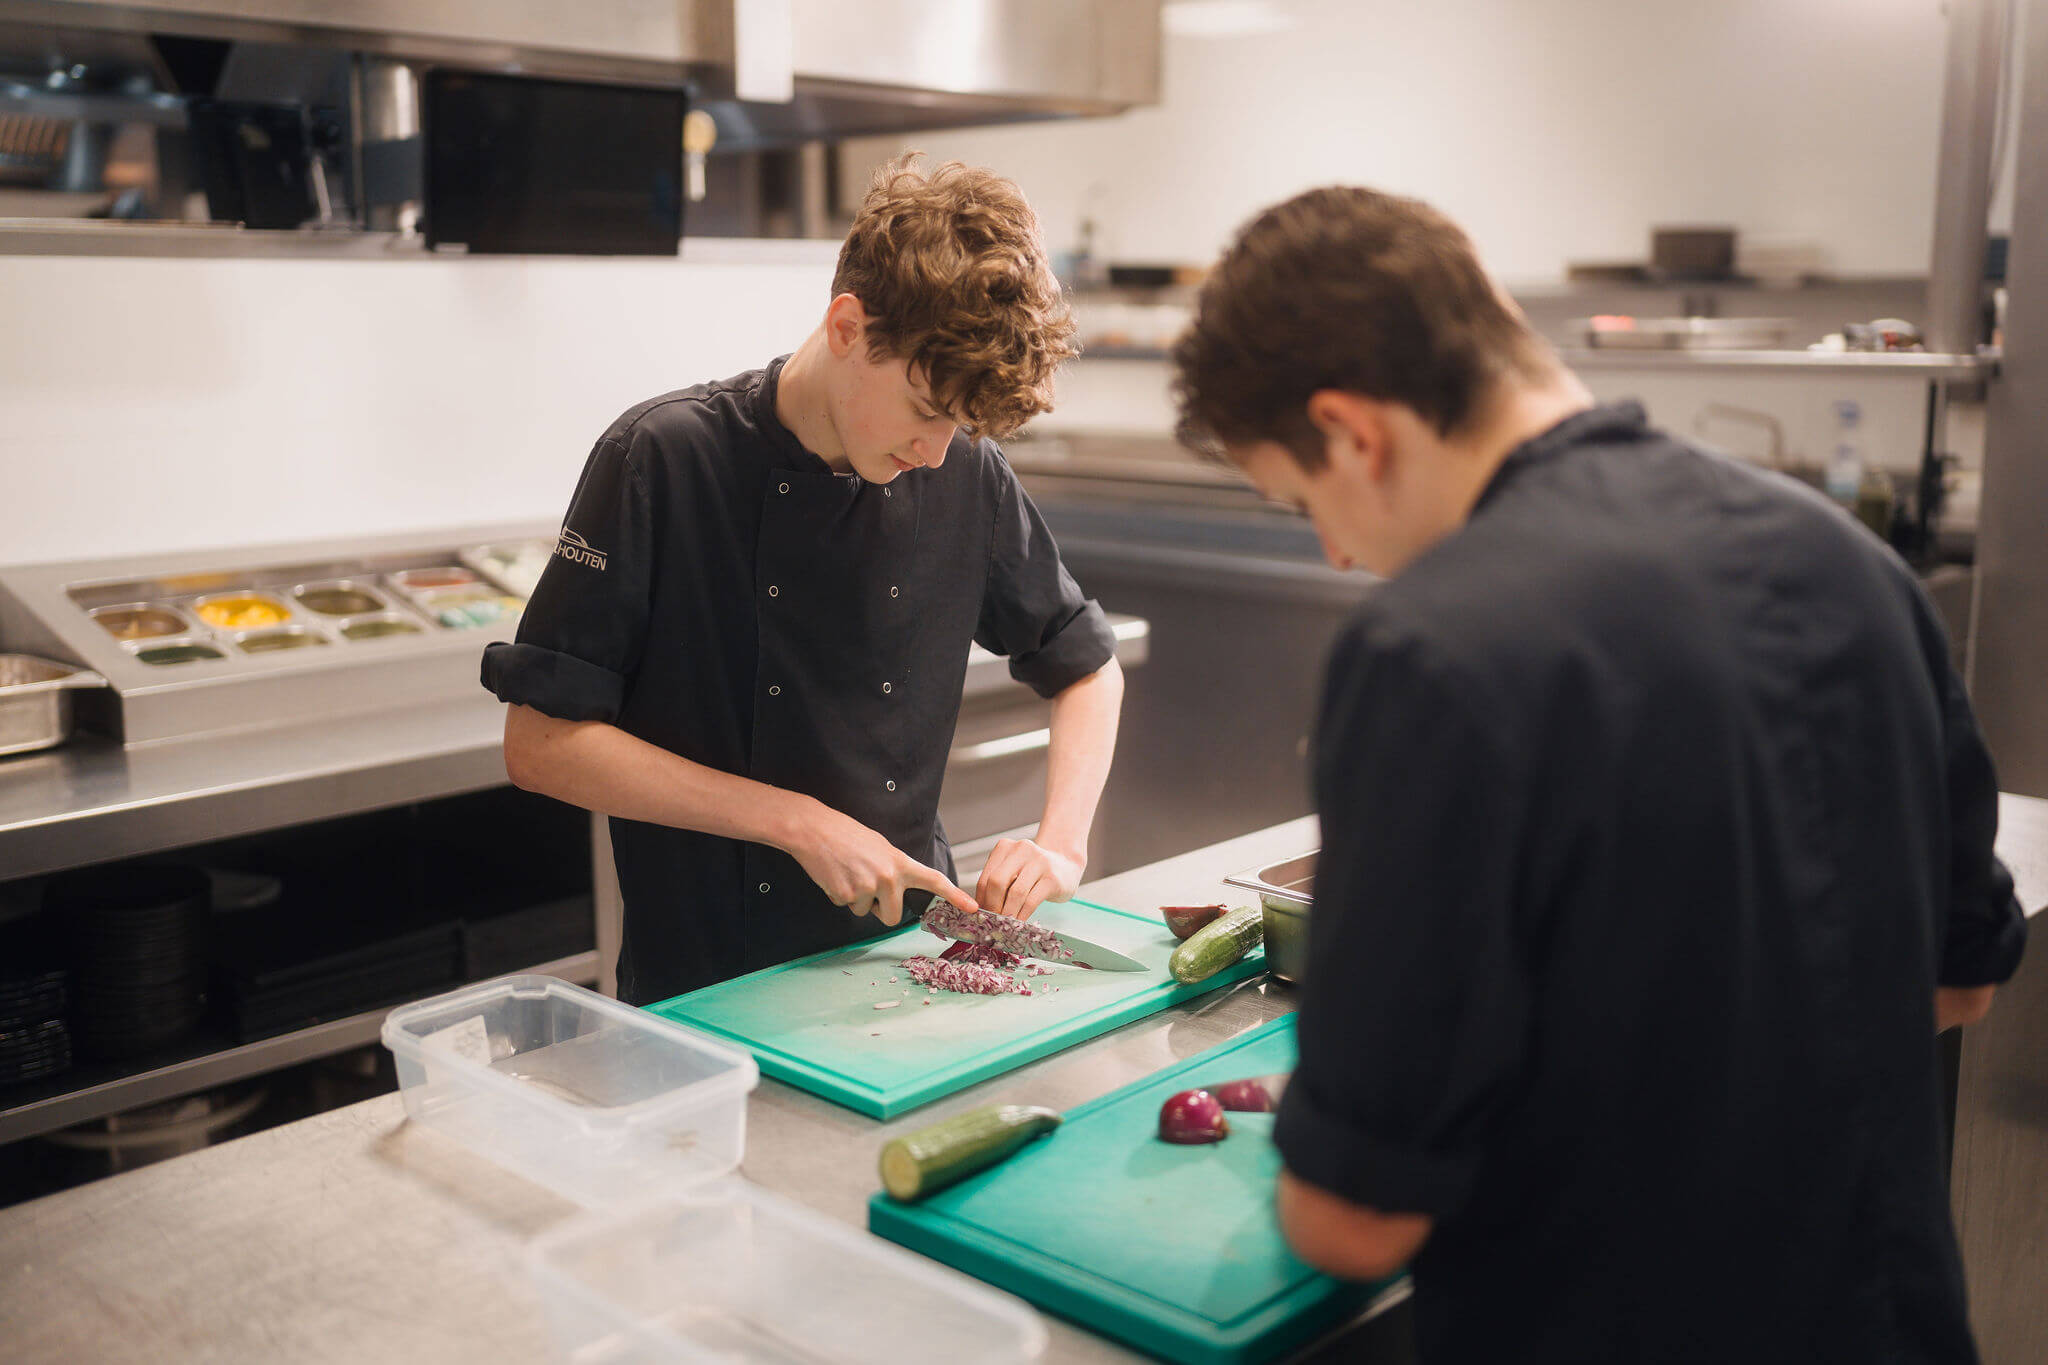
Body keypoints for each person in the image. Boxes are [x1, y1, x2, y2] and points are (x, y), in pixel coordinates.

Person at [1171, 186, 2026, 1363]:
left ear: (1353, 430)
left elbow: (1350, 1222)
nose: (1335, 550)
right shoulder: (1848, 562)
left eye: (1305, 500)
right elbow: (1958, 984)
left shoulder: (1431, 646)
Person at [486, 158, 1124, 1006]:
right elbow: (539, 745)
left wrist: (1062, 845)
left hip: (908, 976)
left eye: (962, 425)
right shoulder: (662, 458)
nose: (936, 452)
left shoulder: (968, 473)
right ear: (849, 327)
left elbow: (1085, 666)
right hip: (705, 994)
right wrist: (795, 820)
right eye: (928, 410)